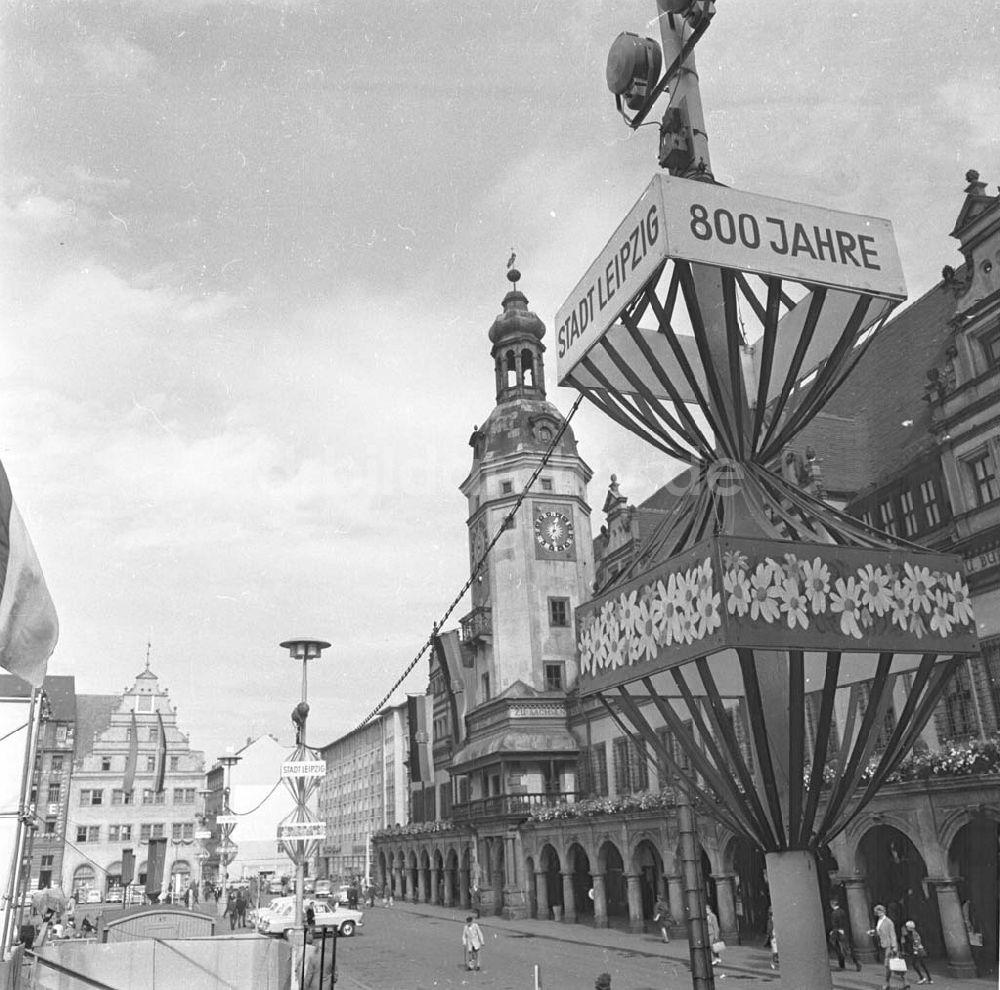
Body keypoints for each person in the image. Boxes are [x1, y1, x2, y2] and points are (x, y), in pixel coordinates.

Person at [869, 904, 901, 990]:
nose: (878, 913)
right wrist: (874, 933)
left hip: (889, 945)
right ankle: (905, 982)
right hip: (882, 944)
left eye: (880, 911)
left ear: (883, 912)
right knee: (892, 965)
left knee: (888, 965)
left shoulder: (888, 922)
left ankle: (887, 983)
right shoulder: (879, 920)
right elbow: (880, 931)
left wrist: (894, 947)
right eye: (877, 912)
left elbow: (893, 934)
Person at [829, 897, 862, 971]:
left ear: (832, 905)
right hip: (844, 931)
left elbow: (835, 925)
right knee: (847, 948)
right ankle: (855, 962)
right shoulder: (842, 911)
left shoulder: (834, 913)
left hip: (838, 933)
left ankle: (842, 964)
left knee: (839, 948)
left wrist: (833, 932)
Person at [901, 921, 933, 985]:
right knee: (923, 964)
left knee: (914, 964)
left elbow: (916, 942)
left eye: (907, 927)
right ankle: (930, 979)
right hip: (920, 950)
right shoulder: (913, 933)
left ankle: (922, 978)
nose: (907, 928)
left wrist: (915, 951)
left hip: (918, 951)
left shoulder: (913, 933)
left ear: (910, 927)